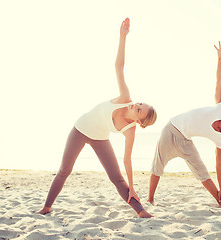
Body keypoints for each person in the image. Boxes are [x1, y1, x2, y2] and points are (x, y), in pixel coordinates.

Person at [38, 18, 157, 218]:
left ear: (138, 121)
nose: (135, 105)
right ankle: (47, 207)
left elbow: (127, 161)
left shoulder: (131, 131)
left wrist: (133, 187)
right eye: (140, 104)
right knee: (64, 170)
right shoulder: (125, 97)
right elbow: (119, 66)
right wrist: (122, 36)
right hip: (80, 129)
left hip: (100, 138)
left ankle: (142, 212)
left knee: (118, 179)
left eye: (138, 110)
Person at [147, 41, 221, 208]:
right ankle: (149, 200)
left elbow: (219, 164)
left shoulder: (220, 140)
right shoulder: (220, 107)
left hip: (185, 141)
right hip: (171, 130)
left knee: (202, 172)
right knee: (157, 166)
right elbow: (219, 83)